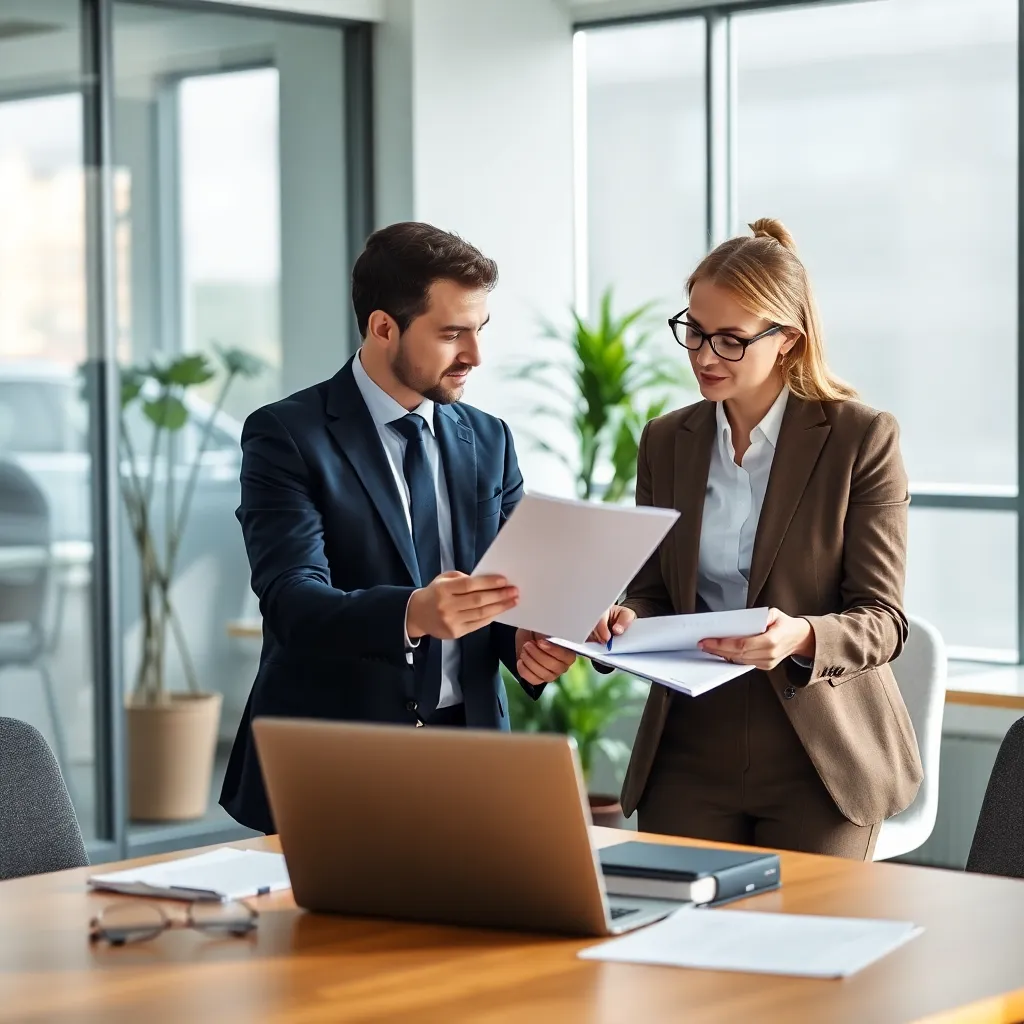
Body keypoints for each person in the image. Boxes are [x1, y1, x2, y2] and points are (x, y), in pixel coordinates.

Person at [221, 222, 575, 834]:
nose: (475, 355)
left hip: (472, 756)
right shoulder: (286, 435)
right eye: (451, 334)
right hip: (335, 762)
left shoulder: (488, 438)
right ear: (384, 327)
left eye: (480, 330)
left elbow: (510, 588)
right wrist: (412, 613)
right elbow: (291, 601)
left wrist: (529, 642)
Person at [592, 219, 922, 860]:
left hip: (818, 750)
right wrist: (626, 616)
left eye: (731, 340)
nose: (704, 356)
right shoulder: (666, 441)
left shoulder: (860, 439)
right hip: (690, 744)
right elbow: (653, 590)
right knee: (675, 919)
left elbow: (883, 620)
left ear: (788, 341)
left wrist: (799, 635)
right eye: (693, 331)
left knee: (804, 923)